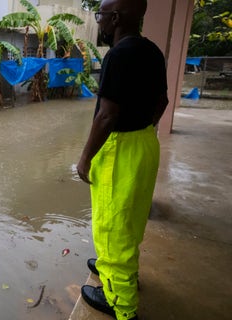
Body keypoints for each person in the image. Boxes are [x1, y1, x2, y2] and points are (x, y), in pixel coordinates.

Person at [75, 0, 168, 319]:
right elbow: (163, 101)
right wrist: (144, 127)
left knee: (112, 227)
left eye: (100, 14)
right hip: (144, 143)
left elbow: (106, 116)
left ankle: (121, 304)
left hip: (120, 151)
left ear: (115, 18)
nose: (98, 20)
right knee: (129, 221)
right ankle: (112, 269)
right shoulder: (152, 51)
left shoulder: (118, 55)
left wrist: (86, 157)